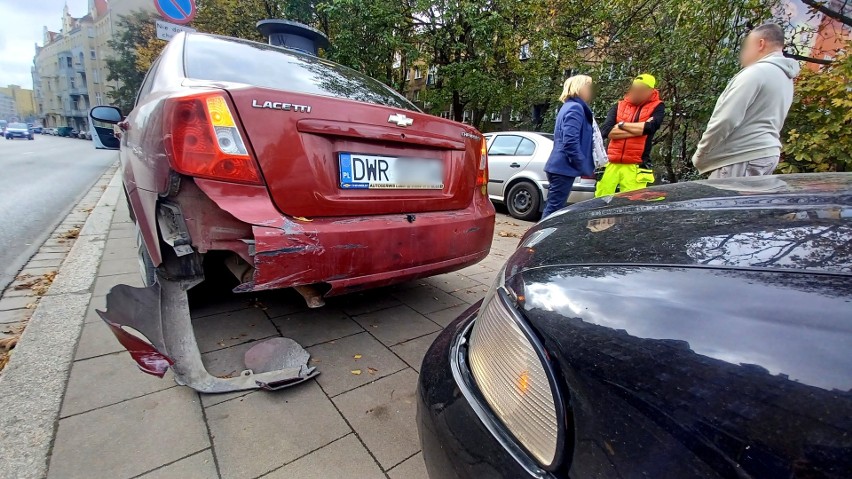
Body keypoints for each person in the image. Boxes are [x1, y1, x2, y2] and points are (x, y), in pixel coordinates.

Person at [692, 23, 800, 178]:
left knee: (722, 202)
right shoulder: (785, 77)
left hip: (742, 156)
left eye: (746, 47)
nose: (742, 54)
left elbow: (726, 119)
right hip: (766, 155)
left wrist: (702, 152)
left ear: (761, 44)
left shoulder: (755, 73)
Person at [596, 73, 666, 197]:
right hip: (612, 162)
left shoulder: (657, 106)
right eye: (634, 88)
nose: (636, 92)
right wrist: (639, 128)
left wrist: (622, 125)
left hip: (636, 165)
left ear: (650, 91)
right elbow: (606, 131)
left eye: (641, 89)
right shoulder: (619, 105)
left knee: (632, 203)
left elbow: (650, 127)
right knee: (601, 201)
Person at [542, 75, 595, 219]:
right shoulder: (576, 108)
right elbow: (570, 141)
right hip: (563, 168)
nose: (590, 91)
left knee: (553, 207)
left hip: (560, 167)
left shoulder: (569, 106)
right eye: (588, 86)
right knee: (553, 209)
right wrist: (581, 163)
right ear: (579, 88)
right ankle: (540, 239)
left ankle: (542, 238)